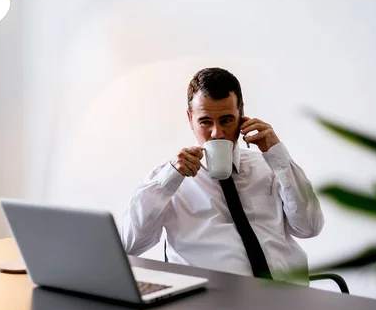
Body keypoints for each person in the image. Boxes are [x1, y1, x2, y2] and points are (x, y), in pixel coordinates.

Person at [119, 67, 324, 282]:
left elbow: (309, 227)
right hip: (209, 306)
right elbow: (130, 245)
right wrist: (169, 178)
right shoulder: (167, 179)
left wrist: (277, 155)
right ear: (190, 119)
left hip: (286, 299)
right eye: (205, 121)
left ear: (241, 116)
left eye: (226, 120)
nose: (217, 133)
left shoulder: (270, 166)